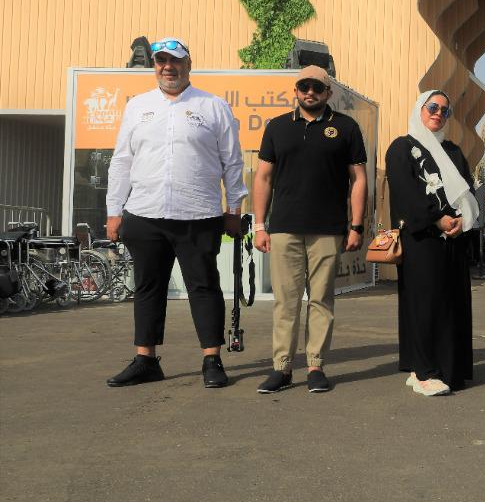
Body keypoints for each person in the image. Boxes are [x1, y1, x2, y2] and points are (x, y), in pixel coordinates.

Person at [104, 38, 247, 388]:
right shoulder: (137, 106)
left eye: (175, 61)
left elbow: (233, 161)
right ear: (154, 66)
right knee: (148, 287)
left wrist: (234, 209)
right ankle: (146, 360)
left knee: (204, 287)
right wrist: (113, 211)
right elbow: (122, 161)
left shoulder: (213, 106)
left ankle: (212, 360)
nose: (168, 67)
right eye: (161, 61)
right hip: (144, 213)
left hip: (198, 215)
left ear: (188, 64)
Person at [251, 65, 368, 394]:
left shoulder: (345, 128)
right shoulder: (277, 128)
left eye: (317, 87)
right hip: (284, 228)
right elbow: (263, 178)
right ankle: (282, 368)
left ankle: (315, 365)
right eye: (304, 86)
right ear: (296, 90)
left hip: (328, 229)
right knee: (285, 302)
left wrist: (356, 225)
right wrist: (260, 225)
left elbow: (359, 180)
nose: (310, 92)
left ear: (328, 92)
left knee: (321, 301)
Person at [386, 90, 480, 397]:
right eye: (433, 107)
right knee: (423, 304)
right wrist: (436, 219)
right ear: (420, 109)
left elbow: (466, 192)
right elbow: (405, 192)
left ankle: (450, 369)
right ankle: (424, 370)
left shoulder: (453, 151)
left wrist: (460, 221)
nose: (438, 113)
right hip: (422, 240)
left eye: (445, 111)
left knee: (451, 303)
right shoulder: (403, 147)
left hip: (452, 241)